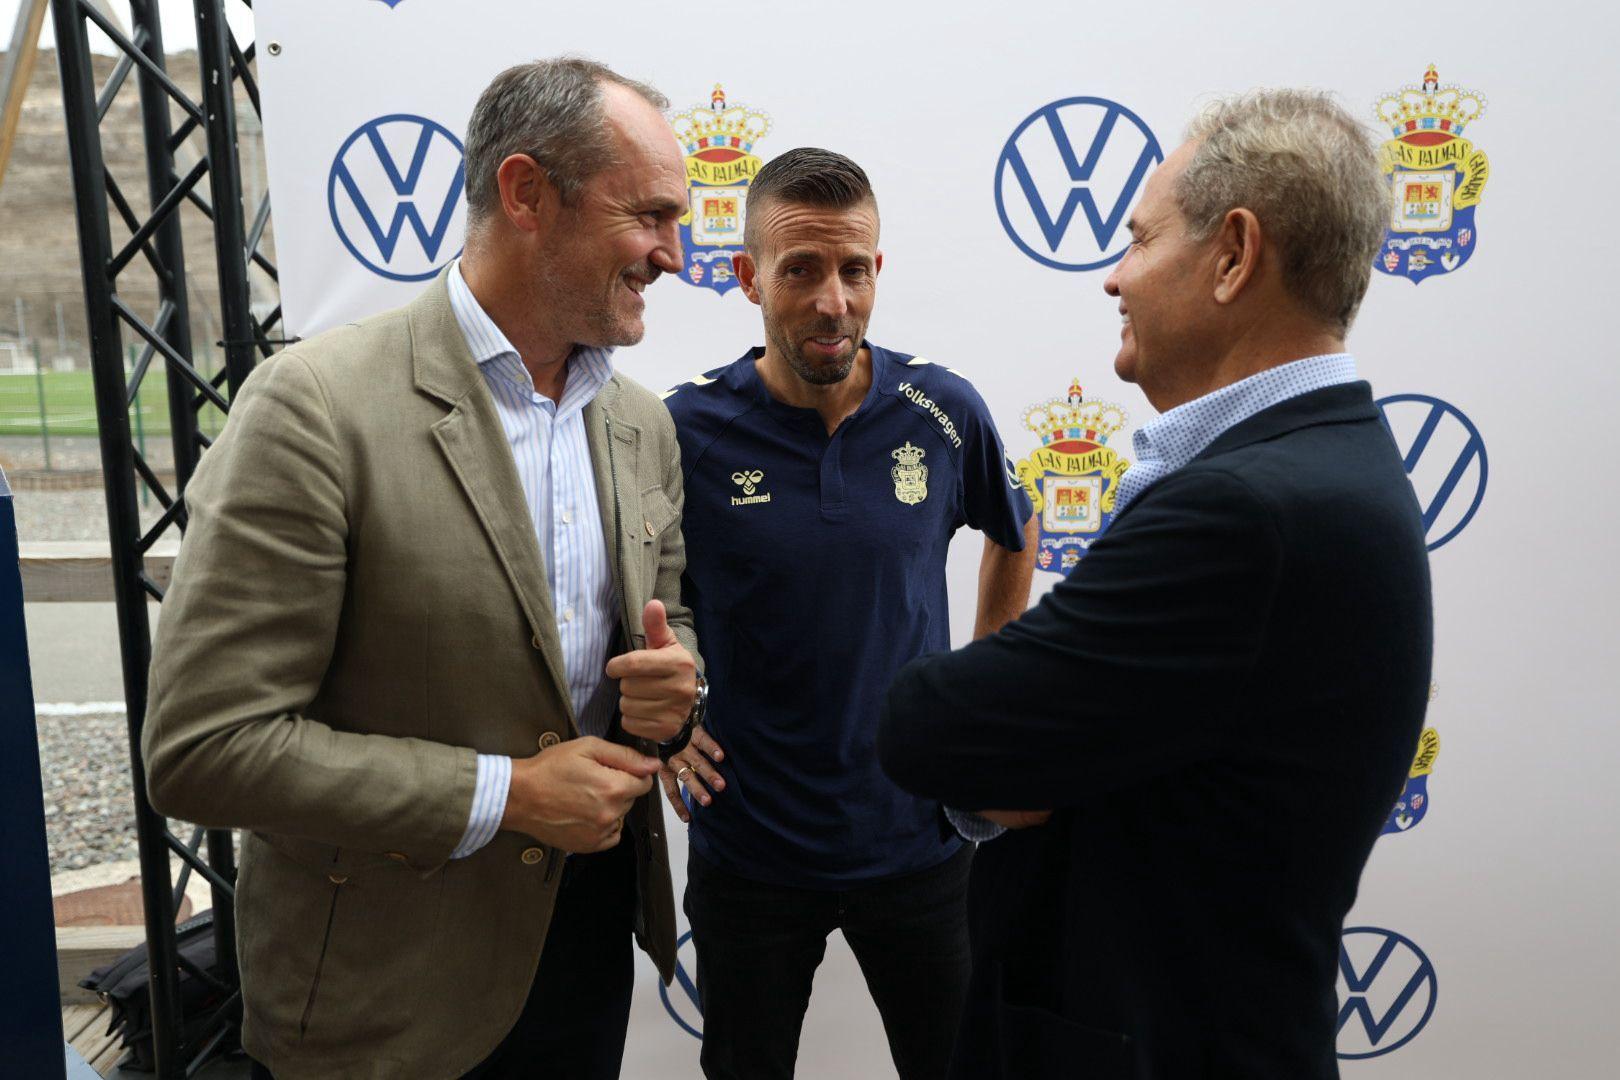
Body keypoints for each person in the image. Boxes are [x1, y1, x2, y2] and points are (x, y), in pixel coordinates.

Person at [143, 58, 704, 1079]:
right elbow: (206, 746)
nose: (676, 252)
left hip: (580, 962)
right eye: (652, 215)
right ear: (527, 192)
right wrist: (511, 794)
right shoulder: (314, 407)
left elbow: (661, 635)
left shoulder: (641, 425)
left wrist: (677, 691)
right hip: (386, 994)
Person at [878, 90, 1433, 1078]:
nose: (1113, 277)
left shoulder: (1243, 513)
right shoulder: (1319, 463)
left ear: (1233, 256)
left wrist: (1025, 747)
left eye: (1138, 240)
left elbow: (932, 726)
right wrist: (1040, 754)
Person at [659, 147, 1037, 1080]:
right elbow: (638, 599)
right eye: (801, 269)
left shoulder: (940, 410)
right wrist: (668, 728)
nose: (833, 300)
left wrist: (980, 694)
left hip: (920, 844)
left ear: (876, 271)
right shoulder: (682, 430)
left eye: (854, 269)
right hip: (749, 852)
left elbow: (1017, 526)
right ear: (746, 278)